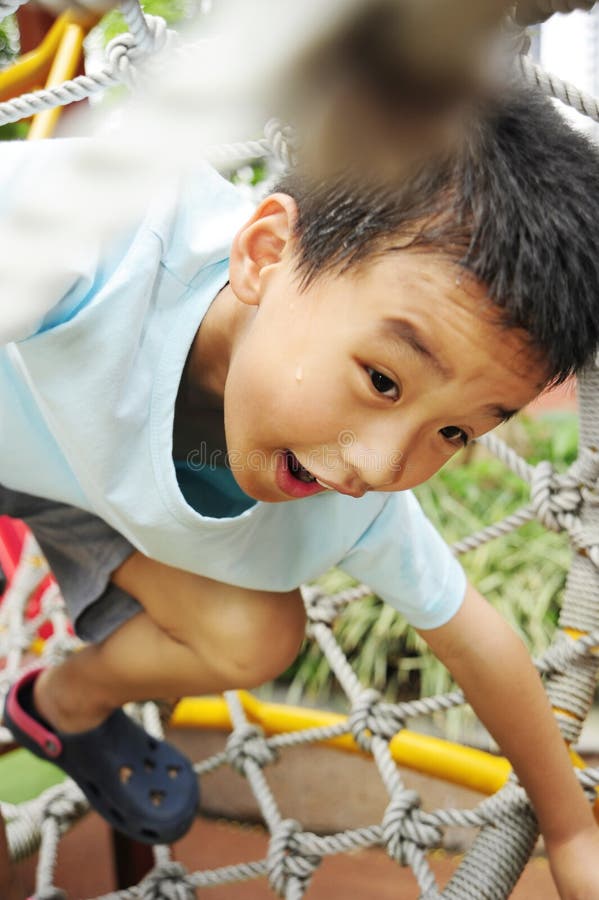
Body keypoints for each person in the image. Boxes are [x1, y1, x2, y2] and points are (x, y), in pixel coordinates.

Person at [2, 84, 599, 895]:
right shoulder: (98, 233)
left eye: (455, 432)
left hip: (75, 486)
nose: (385, 466)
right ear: (264, 255)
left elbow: (476, 639)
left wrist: (569, 832)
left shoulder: (346, 493)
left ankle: (58, 704)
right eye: (382, 380)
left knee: (256, 634)